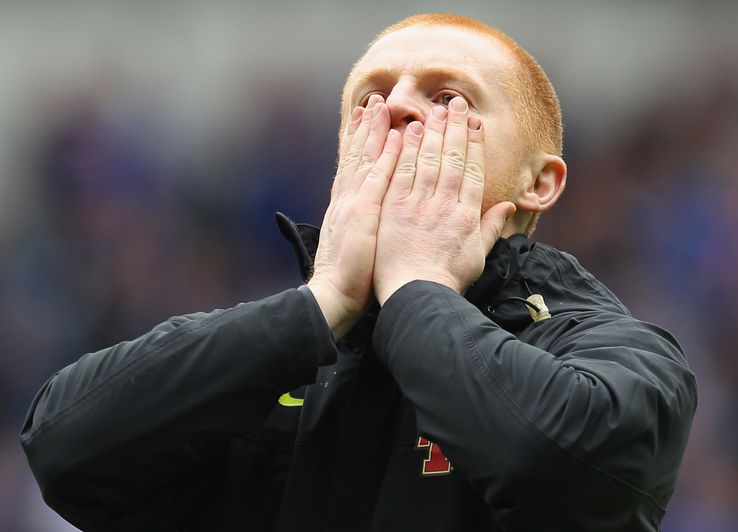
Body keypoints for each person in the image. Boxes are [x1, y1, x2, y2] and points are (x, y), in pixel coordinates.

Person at [20, 13, 697, 532]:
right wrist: (322, 303)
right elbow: (66, 448)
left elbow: (554, 463)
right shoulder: (279, 351)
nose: (398, 105)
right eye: (369, 101)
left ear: (539, 182)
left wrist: (415, 290)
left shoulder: (616, 353)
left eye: (449, 97)